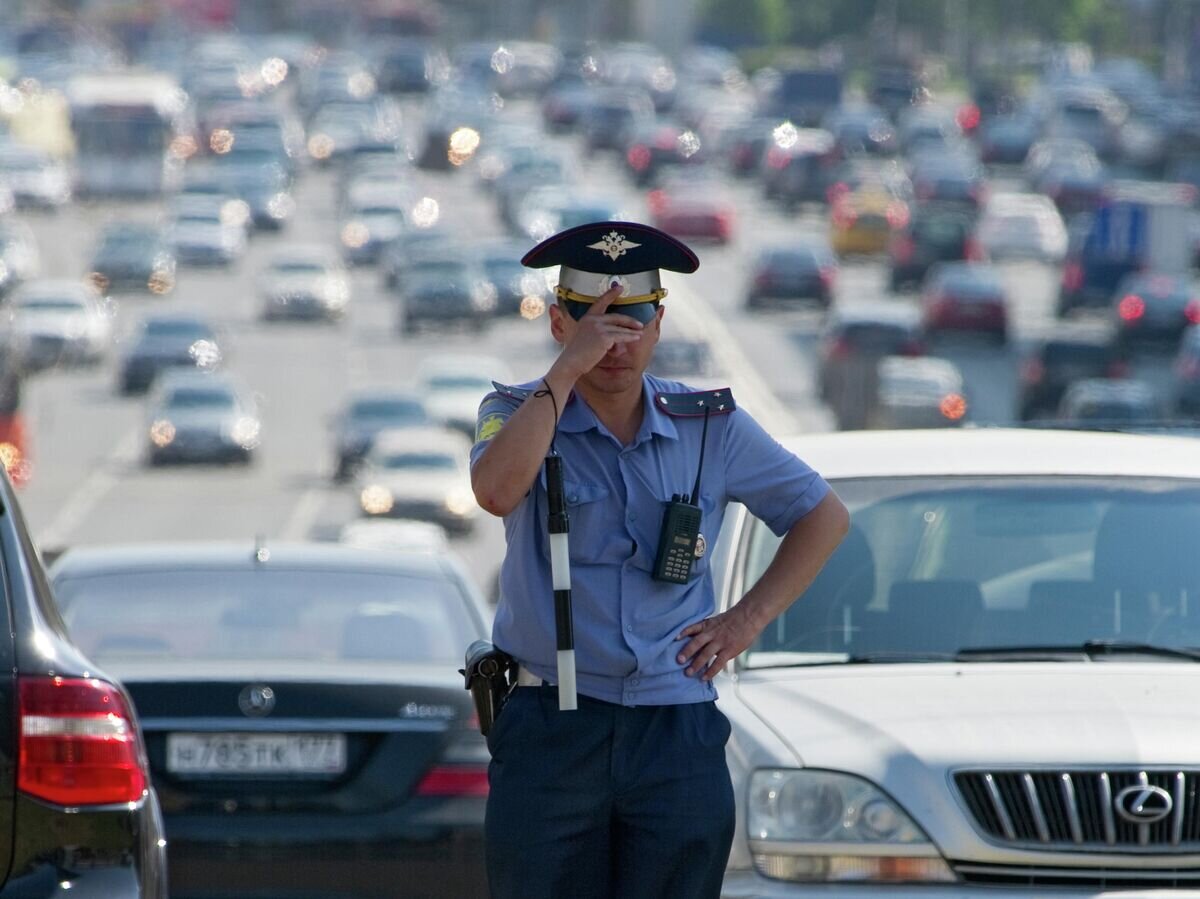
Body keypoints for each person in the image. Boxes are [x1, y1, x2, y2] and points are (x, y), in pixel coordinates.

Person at [469, 221, 849, 899]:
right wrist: (565, 372)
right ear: (558, 323)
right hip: (552, 726)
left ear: (659, 324)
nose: (615, 344)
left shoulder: (709, 426)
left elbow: (823, 515)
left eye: (633, 322)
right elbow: (495, 491)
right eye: (595, 324)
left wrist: (745, 620)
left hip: (673, 729)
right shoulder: (515, 410)